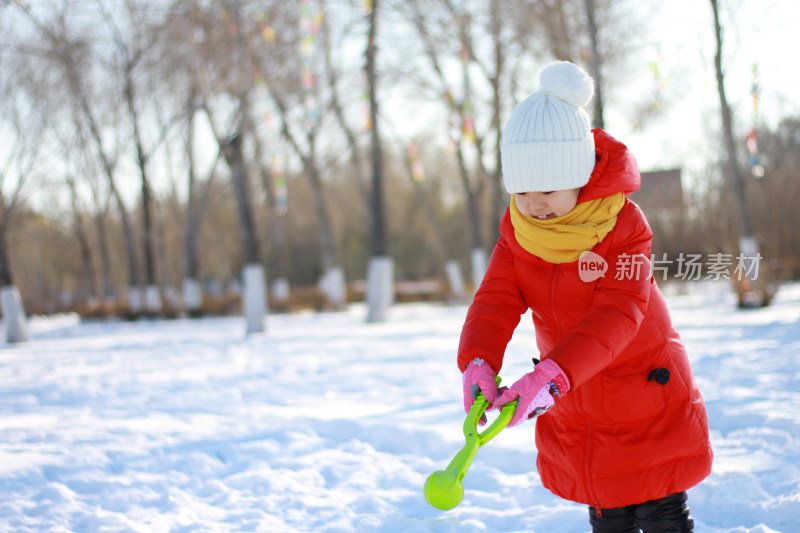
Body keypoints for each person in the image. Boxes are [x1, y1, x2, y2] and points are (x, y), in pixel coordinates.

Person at [459, 61, 713, 533]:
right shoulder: (519, 230)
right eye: (523, 189)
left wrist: (552, 377)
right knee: (606, 509)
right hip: (577, 390)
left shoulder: (623, 225)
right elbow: (495, 299)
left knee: (658, 508)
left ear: (579, 174)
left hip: (640, 384)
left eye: (549, 189)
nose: (535, 204)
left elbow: (621, 310)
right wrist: (478, 361)